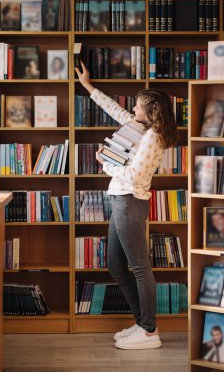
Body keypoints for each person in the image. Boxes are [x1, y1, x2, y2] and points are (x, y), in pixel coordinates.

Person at [75, 61, 177, 350]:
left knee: (140, 267)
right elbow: (116, 110)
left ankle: (149, 331)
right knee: (116, 265)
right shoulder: (138, 128)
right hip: (120, 201)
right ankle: (141, 322)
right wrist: (89, 86)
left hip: (130, 202)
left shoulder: (152, 138)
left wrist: (105, 163)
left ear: (150, 111)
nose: (133, 110)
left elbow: (135, 176)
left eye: (138, 107)